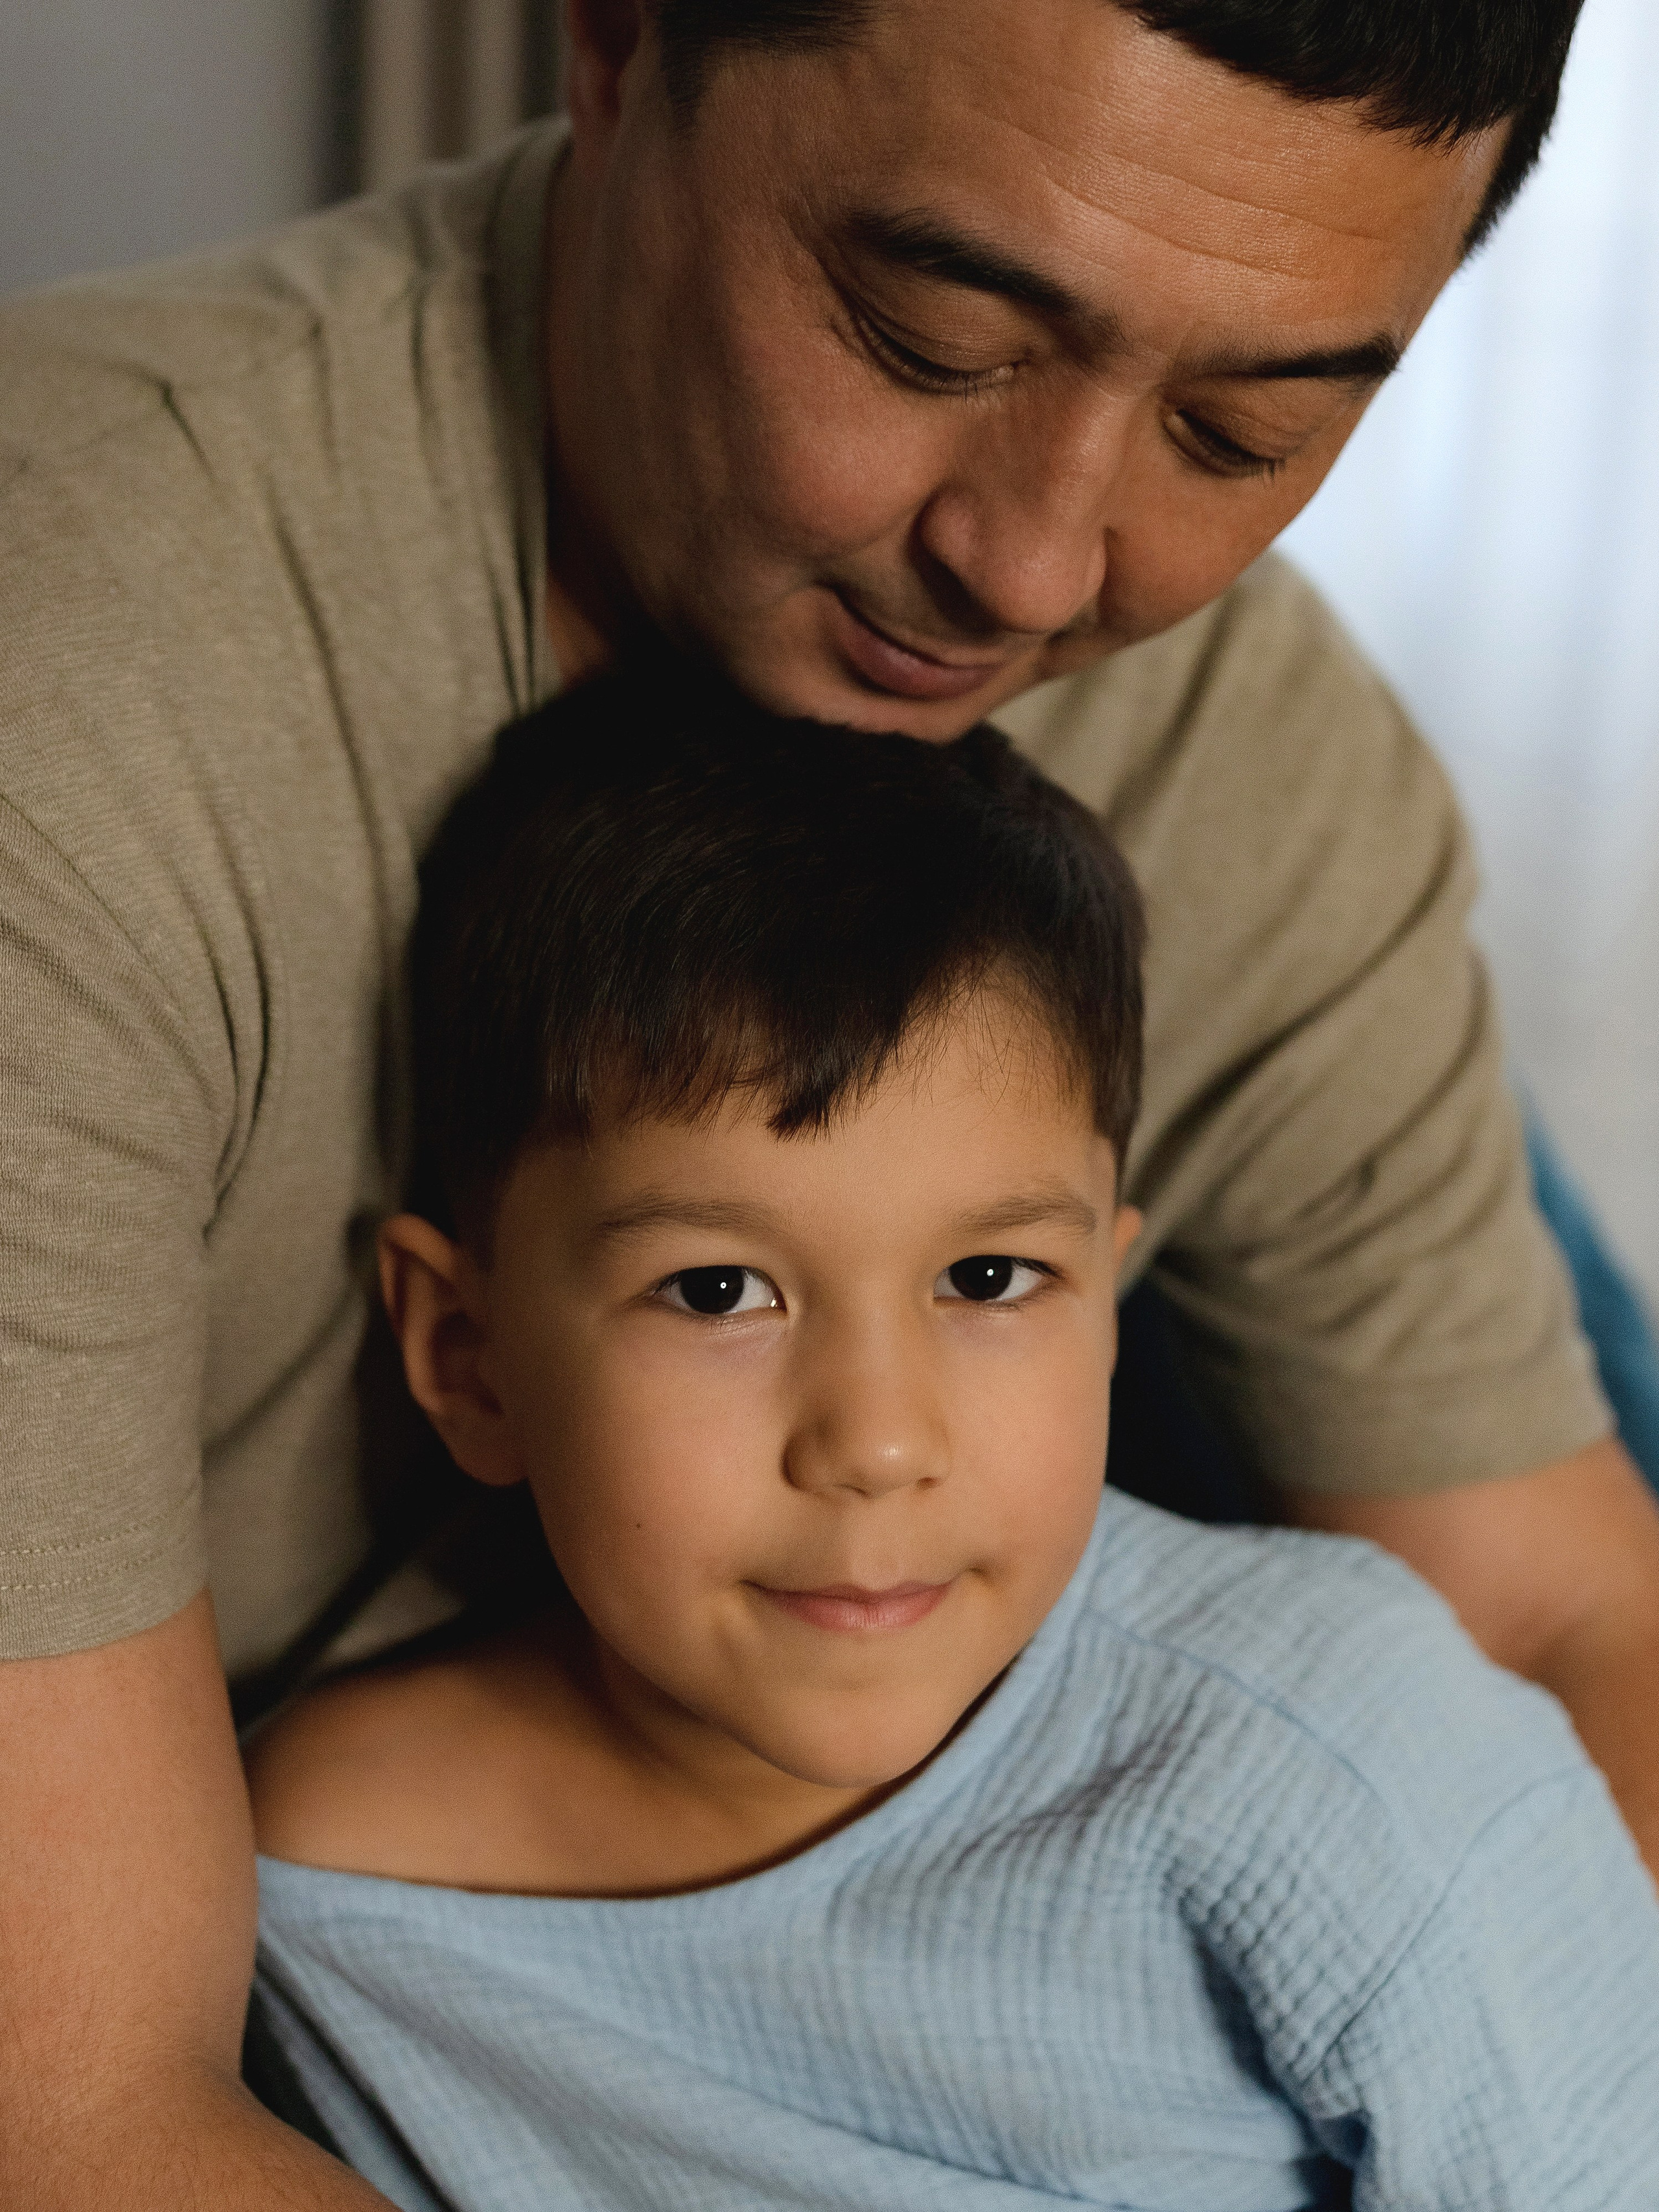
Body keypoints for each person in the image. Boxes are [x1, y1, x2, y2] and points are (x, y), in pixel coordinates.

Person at [6, 4, 1659, 2206]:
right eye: (931, 334)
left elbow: (1548, 1627)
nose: (1043, 568)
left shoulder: (1246, 740)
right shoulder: (79, 679)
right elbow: (81, 2111)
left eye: (1236, 428)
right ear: (616, 43)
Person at [238, 672, 1659, 2211]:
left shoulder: (1333, 1752)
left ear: (1108, 1303)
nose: (877, 1442)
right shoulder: (329, 1879)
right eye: (718, 1290)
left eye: (988, 1280)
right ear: (468, 1358)